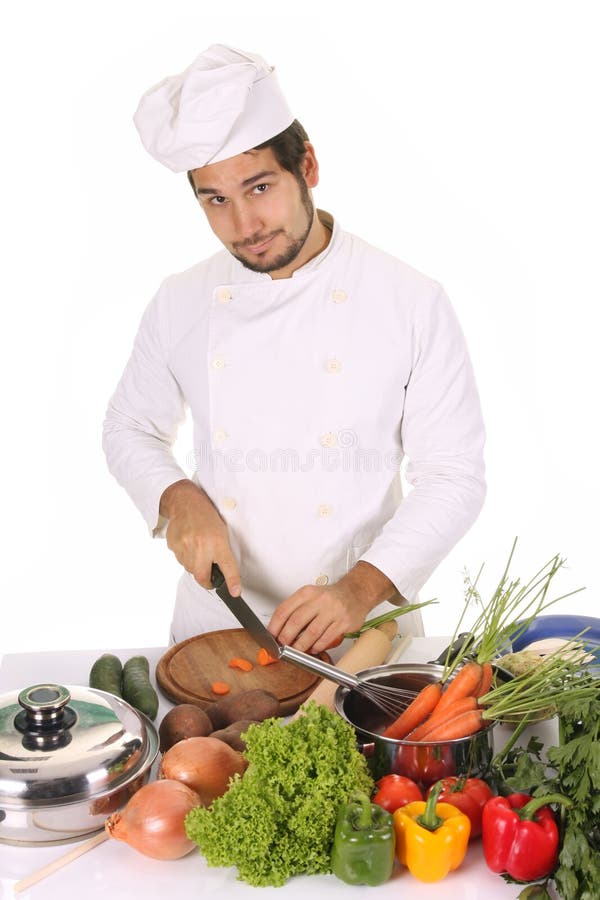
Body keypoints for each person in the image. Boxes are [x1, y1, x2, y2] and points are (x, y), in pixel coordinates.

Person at [102, 44, 486, 654]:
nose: (245, 225)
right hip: (218, 627)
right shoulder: (181, 300)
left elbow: (454, 475)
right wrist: (177, 499)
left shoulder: (410, 300)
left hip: (362, 631)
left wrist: (358, 590)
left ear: (307, 165)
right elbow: (128, 426)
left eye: (259, 187)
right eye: (216, 200)